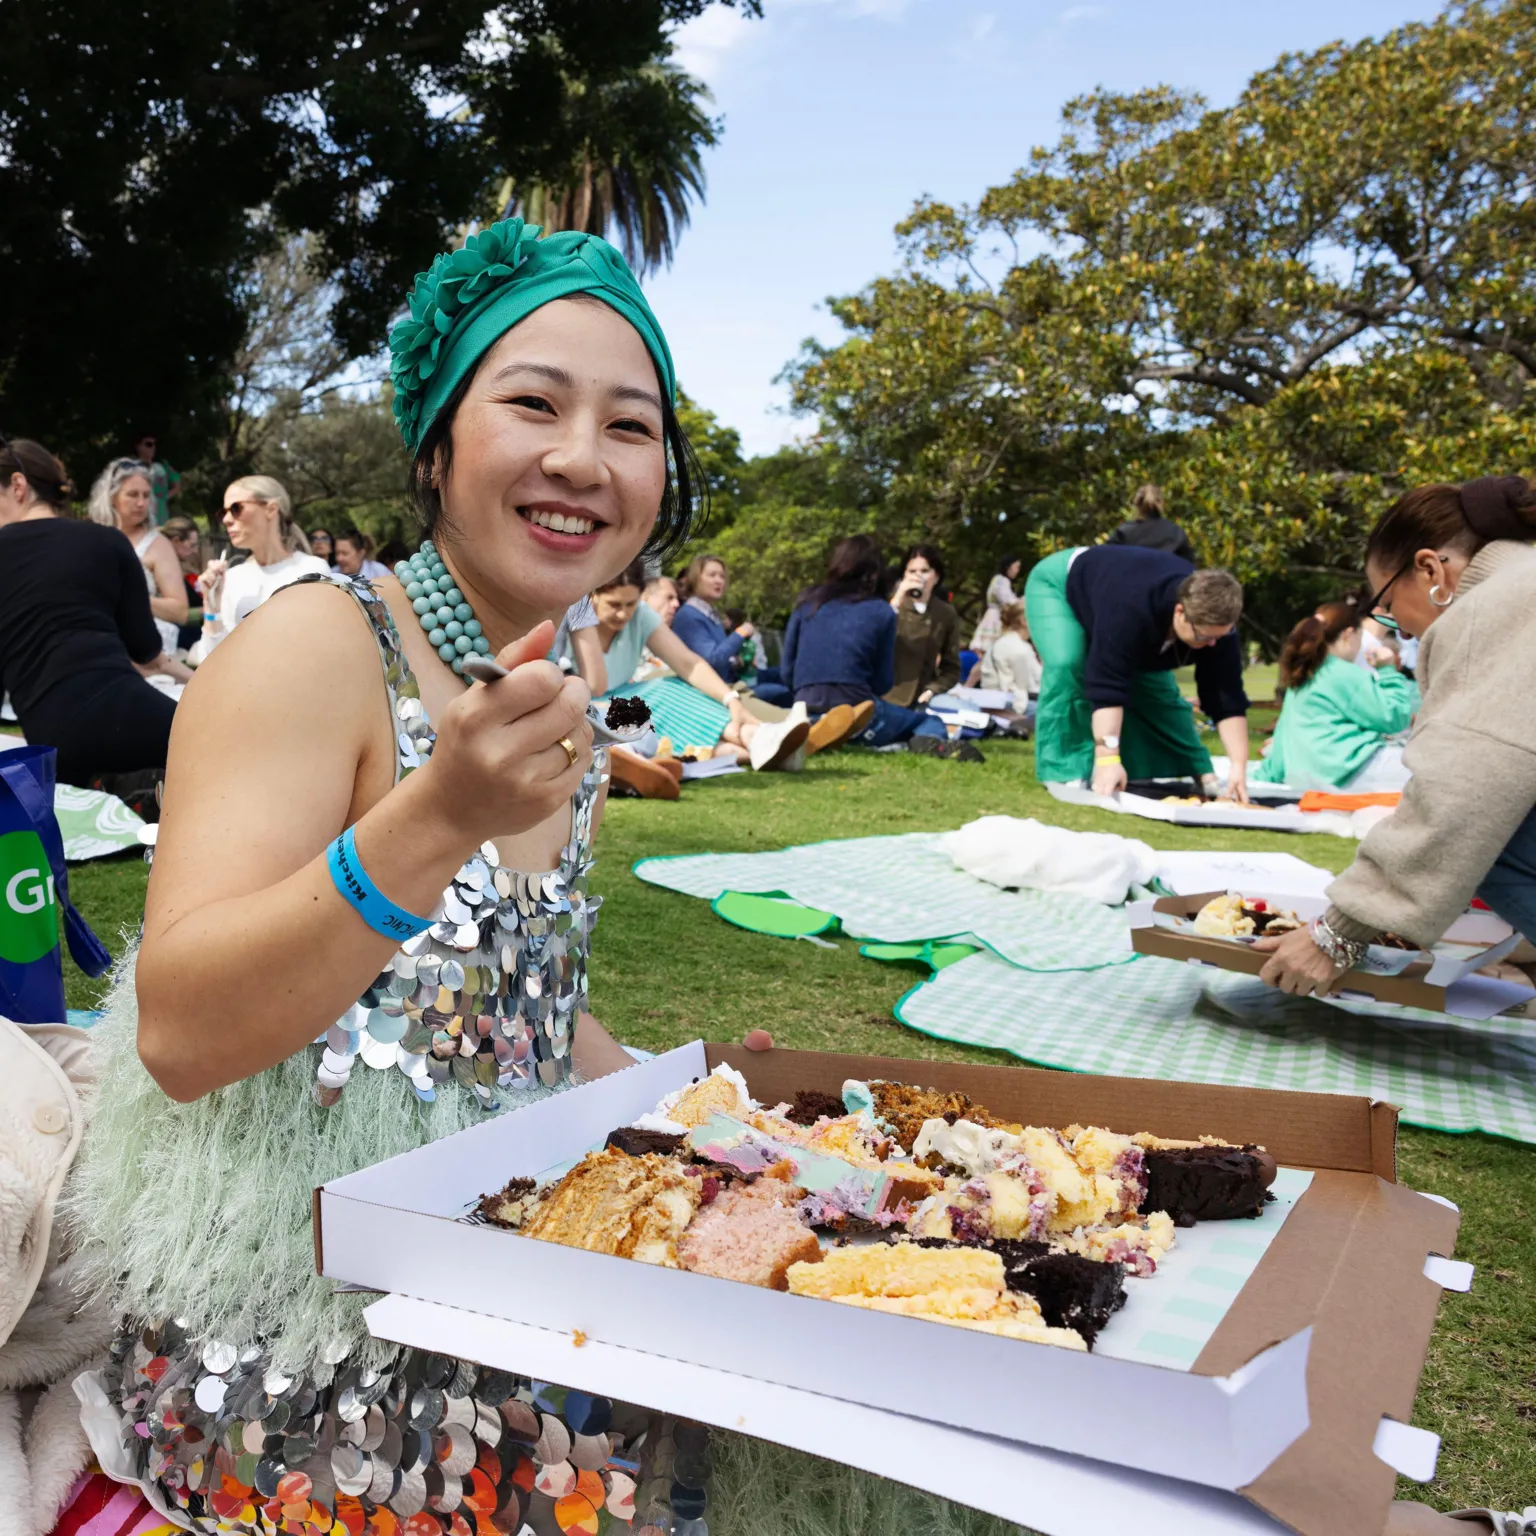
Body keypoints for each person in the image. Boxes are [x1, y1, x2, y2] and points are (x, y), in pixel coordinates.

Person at [64, 218, 776, 1536]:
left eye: (631, 426)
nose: (583, 457)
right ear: (438, 444)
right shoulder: (316, 647)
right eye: (533, 403)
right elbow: (179, 1031)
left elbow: (512, 1002)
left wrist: (716, 1127)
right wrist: (435, 813)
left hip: (497, 1250)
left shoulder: (563, 682)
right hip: (298, 1330)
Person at [1257, 474, 1536, 995]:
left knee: (1489, 836)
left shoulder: (1497, 604)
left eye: (1385, 602)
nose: (1398, 628)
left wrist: (1335, 937)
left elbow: (1468, 791)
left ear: (1431, 568)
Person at [0, 437, 187, 792]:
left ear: (18, 486)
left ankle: (117, 786)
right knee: (219, 746)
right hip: (128, 712)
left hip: (52, 741)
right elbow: (146, 649)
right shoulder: (108, 541)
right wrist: (203, 685)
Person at [1025, 542, 1251, 797]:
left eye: (1218, 637)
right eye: (1204, 637)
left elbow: (1227, 698)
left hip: (1118, 590)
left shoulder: (1219, 630)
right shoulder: (1129, 611)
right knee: (1069, 662)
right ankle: (1064, 769)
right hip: (1060, 585)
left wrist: (1238, 767)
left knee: (1157, 689)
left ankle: (1194, 766)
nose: (1212, 645)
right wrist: (1108, 759)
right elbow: (1107, 687)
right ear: (1180, 612)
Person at [581, 561, 812, 793]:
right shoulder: (574, 616)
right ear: (593, 596)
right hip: (587, 707)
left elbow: (688, 663)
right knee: (664, 689)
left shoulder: (641, 616)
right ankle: (759, 738)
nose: (623, 613)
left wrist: (731, 700)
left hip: (620, 705)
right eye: (614, 605)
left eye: (630, 604)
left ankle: (759, 745)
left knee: (676, 691)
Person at [782, 535, 977, 760]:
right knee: (928, 721)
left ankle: (820, 729)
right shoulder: (881, 611)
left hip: (806, 704)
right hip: (858, 707)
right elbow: (882, 681)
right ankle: (909, 743)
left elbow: (788, 671)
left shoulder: (807, 603)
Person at [1250, 599, 1418, 793]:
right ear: (1348, 635)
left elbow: (1283, 738)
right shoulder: (1344, 673)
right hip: (1348, 772)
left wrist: (1261, 779)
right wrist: (1388, 669)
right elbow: (1395, 718)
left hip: (1307, 776)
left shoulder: (1305, 674)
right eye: (1360, 637)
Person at [191, 475, 330, 660]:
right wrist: (211, 608)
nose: (226, 519)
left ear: (271, 509)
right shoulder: (231, 578)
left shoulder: (311, 570)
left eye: (236, 508)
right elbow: (209, 660)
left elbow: (321, 649)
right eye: (223, 512)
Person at [87, 458, 190, 635]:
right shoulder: (89, 536)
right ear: (112, 497)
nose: (141, 503)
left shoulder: (158, 544)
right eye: (133, 495)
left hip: (144, 643)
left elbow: (180, 611)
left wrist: (130, 598)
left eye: (146, 495)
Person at [886, 543, 962, 709]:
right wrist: (897, 598)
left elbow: (951, 666)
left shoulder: (945, 613)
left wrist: (932, 690)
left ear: (936, 576)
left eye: (925, 571)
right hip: (887, 696)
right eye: (912, 571)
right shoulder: (889, 605)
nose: (918, 576)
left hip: (923, 697)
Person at [1107, 482, 1195, 563]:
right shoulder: (1177, 533)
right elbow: (1188, 568)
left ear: (1136, 505)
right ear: (1162, 503)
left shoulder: (1124, 531)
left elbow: (1108, 562)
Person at [979, 600, 1042, 713]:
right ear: (1024, 621)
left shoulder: (1003, 642)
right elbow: (1032, 686)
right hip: (1012, 705)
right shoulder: (1020, 649)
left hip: (993, 700)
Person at [968, 553, 1022, 659]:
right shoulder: (1002, 581)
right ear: (1009, 567)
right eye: (1016, 567)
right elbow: (1008, 601)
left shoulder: (998, 580)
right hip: (996, 618)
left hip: (994, 615)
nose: (1017, 571)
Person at [132, 432, 180, 525]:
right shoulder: (131, 466)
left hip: (161, 515)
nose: (152, 448)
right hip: (141, 512)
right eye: (148, 444)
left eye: (154, 445)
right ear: (139, 447)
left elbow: (177, 483)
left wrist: (165, 497)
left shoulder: (162, 465)